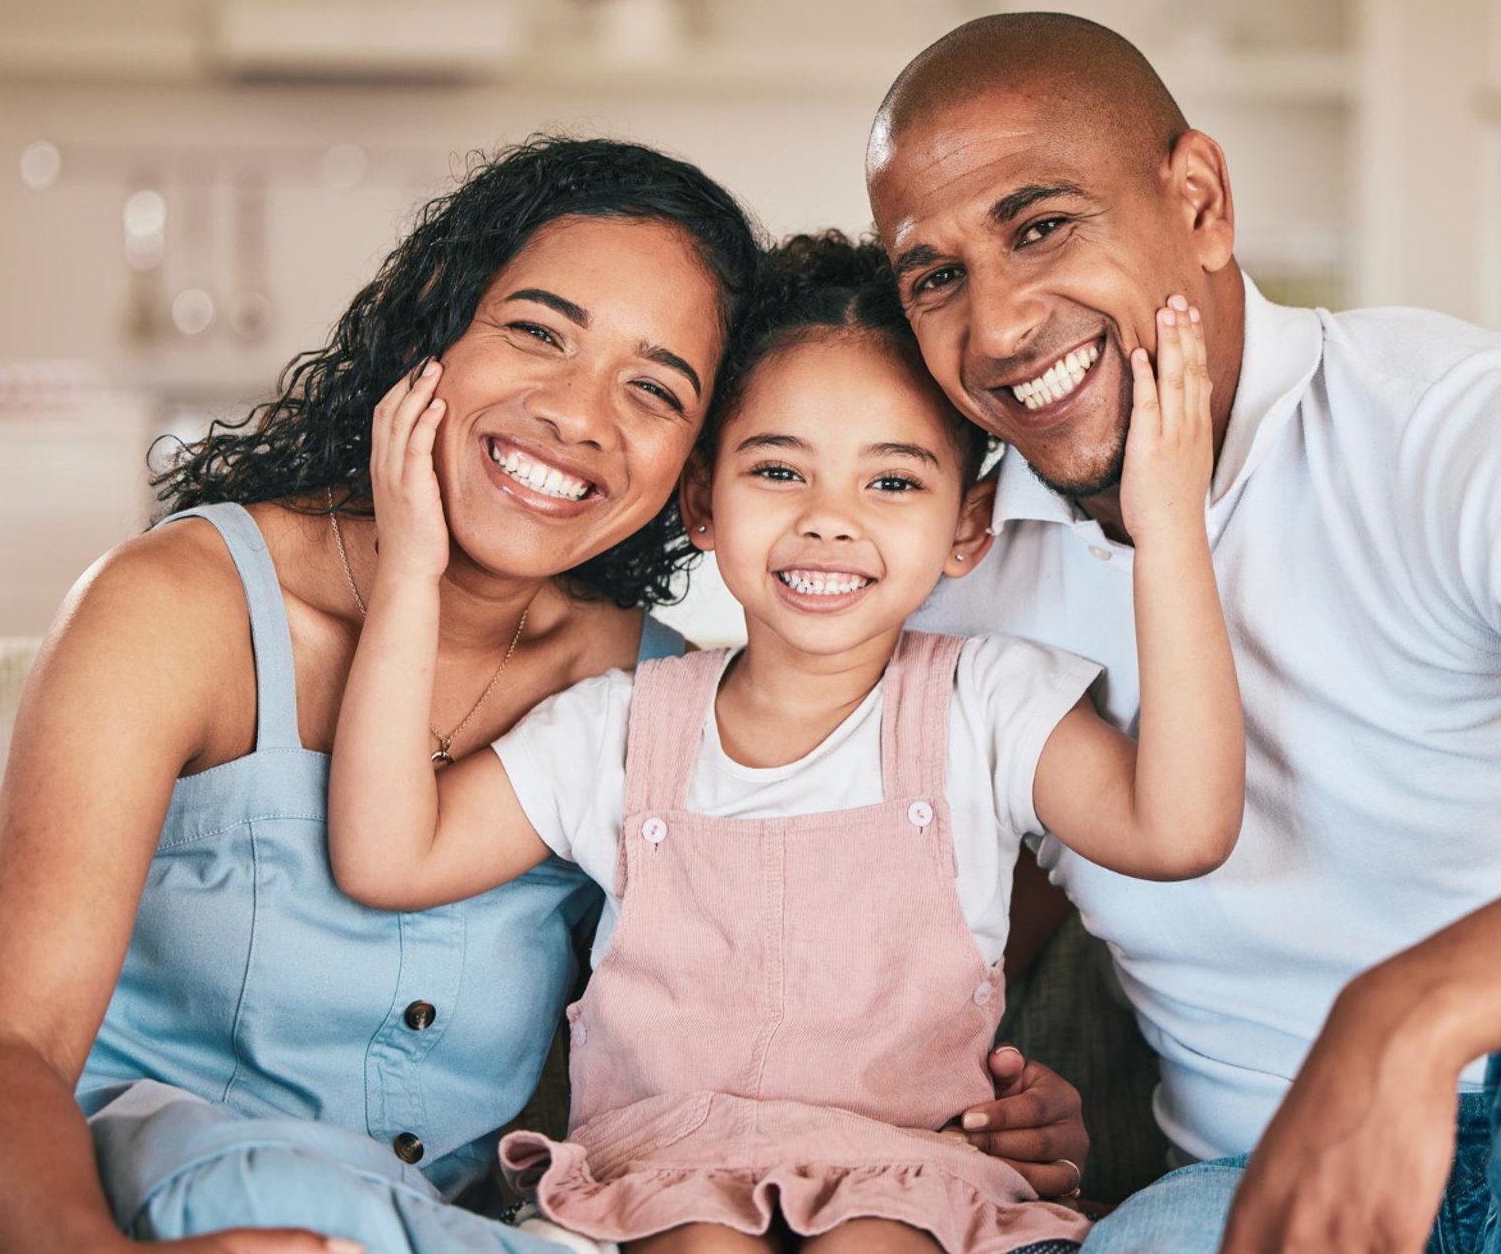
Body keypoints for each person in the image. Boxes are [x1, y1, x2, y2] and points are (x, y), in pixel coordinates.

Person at [0, 139, 1083, 1254]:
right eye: (537, 333)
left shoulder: (651, 697)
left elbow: (842, 932)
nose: (578, 416)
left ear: (696, 470)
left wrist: (966, 1101)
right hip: (97, 1204)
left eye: (657, 390)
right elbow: (4, 1062)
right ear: (436, 329)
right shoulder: (181, 609)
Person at [867, 12, 1501, 1254]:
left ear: (1200, 201)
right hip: (1258, 1177)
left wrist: (1408, 1019)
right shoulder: (954, 575)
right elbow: (938, 919)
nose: (994, 329)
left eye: (1040, 226)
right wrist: (987, 1095)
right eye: (935, 275)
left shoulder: (1456, 424)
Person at [320, 233, 1244, 1254]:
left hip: (909, 1174)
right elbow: (387, 855)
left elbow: (1182, 828)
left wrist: (1170, 531)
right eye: (778, 471)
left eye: (892, 483)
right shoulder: (620, 728)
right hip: (663, 1174)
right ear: (703, 501)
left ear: (966, 524)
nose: (829, 522)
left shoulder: (986, 704)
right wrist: (412, 569)